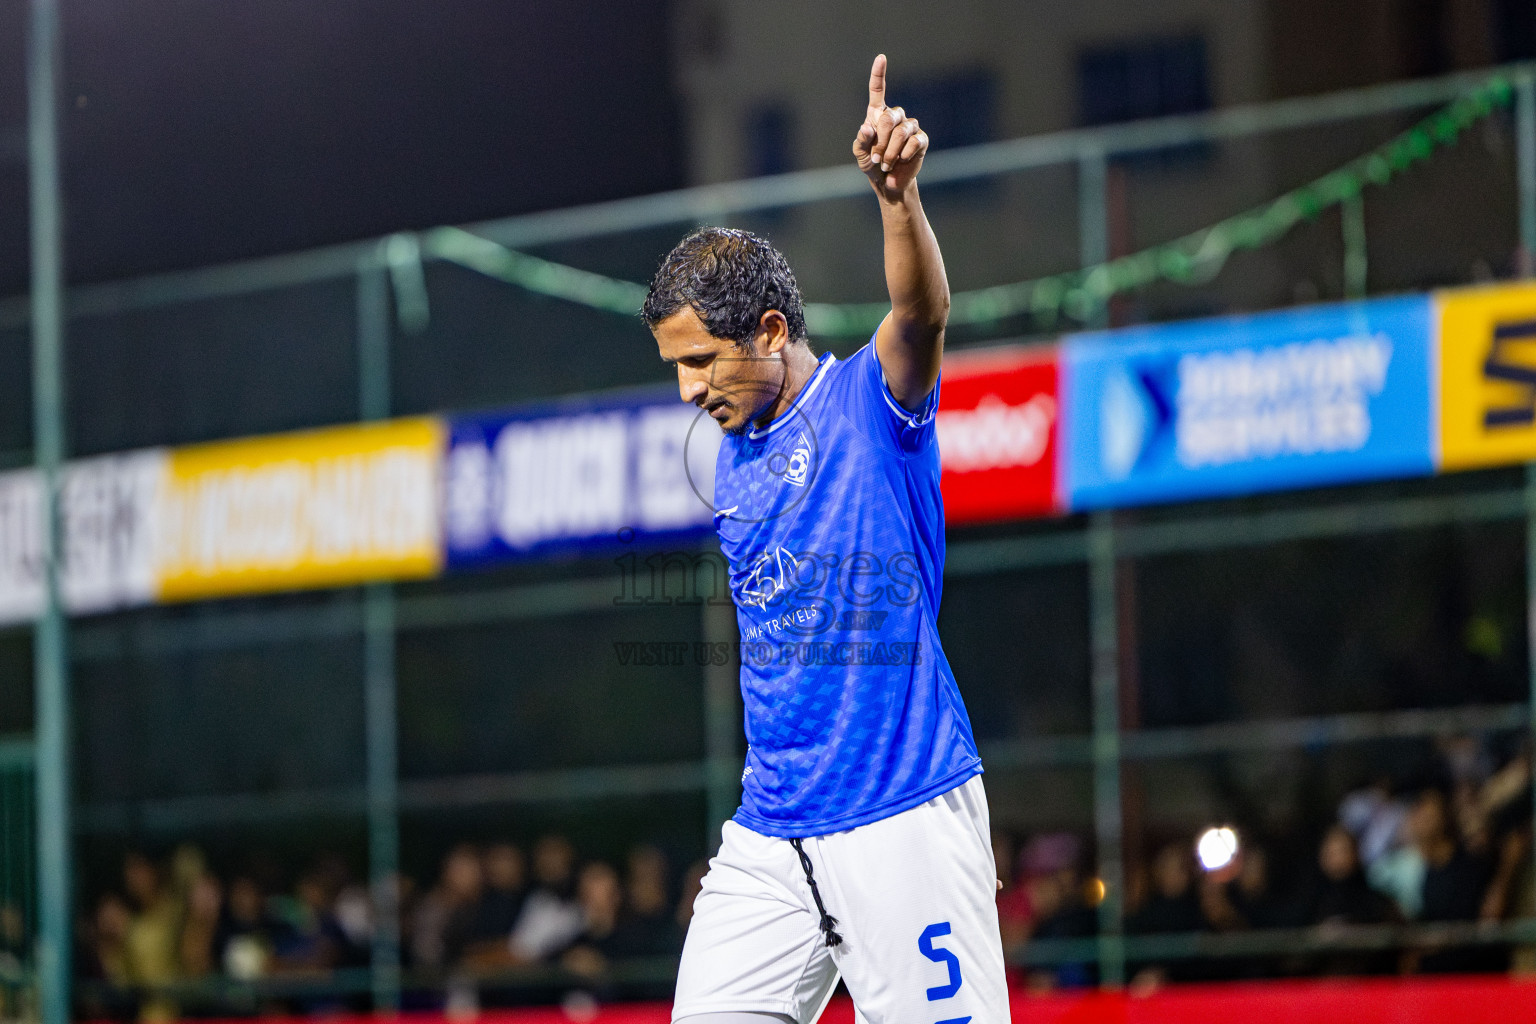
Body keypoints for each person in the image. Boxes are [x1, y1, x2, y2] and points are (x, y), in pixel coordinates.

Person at [643, 54, 1007, 1024]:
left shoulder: (868, 403)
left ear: (768, 331)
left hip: (901, 819)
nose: (686, 389)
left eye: (698, 361)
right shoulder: (730, 458)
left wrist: (898, 197)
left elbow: (921, 314)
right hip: (772, 833)